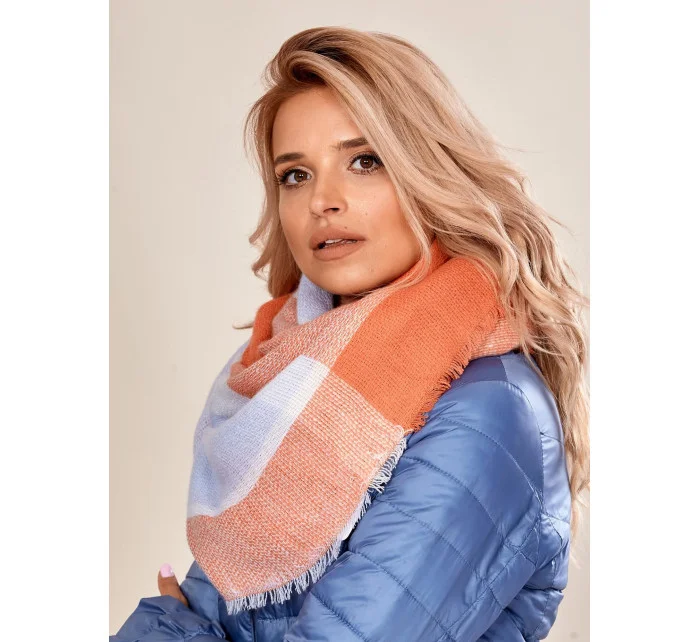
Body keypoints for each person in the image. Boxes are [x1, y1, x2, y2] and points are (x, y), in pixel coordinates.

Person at [111, 26, 589, 642]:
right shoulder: (293, 385)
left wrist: (172, 627)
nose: (322, 201)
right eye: (295, 175)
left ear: (428, 172)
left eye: (364, 162)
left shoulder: (487, 412)